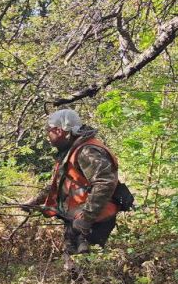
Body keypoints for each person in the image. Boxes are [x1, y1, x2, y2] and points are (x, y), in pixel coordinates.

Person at [24, 108, 121, 262]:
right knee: (73, 263)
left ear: (58, 130)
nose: (48, 136)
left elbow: (105, 183)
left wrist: (86, 219)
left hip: (94, 219)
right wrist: (35, 201)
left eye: (48, 131)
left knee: (85, 265)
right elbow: (60, 184)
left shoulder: (87, 150)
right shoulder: (72, 149)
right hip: (78, 218)